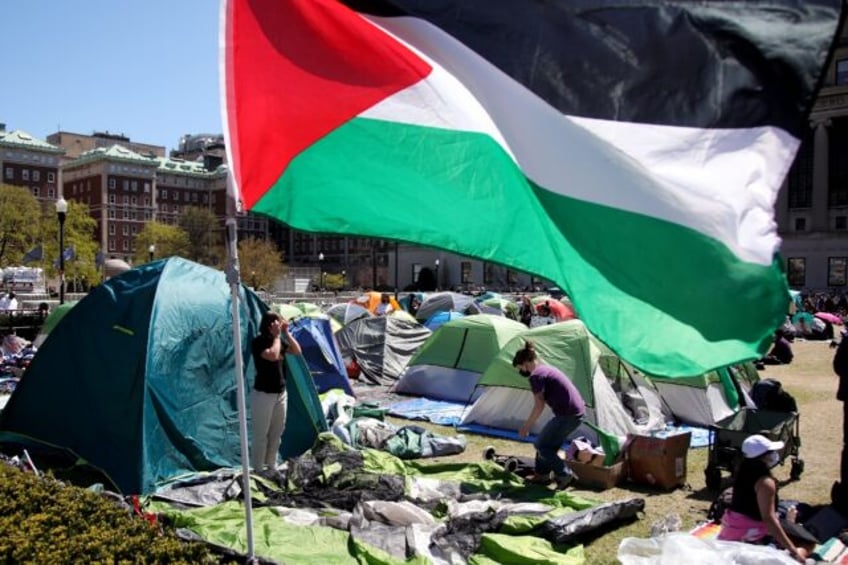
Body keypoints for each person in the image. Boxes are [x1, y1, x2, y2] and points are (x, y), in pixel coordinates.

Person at [717, 435, 811, 563]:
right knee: (807, 542)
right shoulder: (765, 483)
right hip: (754, 539)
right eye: (771, 452)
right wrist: (793, 551)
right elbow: (769, 519)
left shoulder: (743, 471)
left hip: (732, 531)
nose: (774, 455)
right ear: (763, 457)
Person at [513, 340, 586, 488]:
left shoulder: (536, 376)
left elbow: (539, 405)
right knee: (548, 445)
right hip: (576, 412)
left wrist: (526, 427)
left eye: (521, 368)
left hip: (568, 415)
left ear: (525, 364)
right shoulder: (545, 369)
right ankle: (542, 476)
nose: (523, 372)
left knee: (541, 445)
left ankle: (565, 475)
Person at [250, 311, 302, 471]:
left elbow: (297, 351)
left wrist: (286, 333)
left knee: (276, 433)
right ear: (269, 325)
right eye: (276, 323)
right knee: (261, 435)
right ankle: (258, 468)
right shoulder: (259, 342)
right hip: (263, 395)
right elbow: (272, 356)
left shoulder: (279, 341)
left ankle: (271, 465)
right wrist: (277, 337)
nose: (278, 325)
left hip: (280, 394)